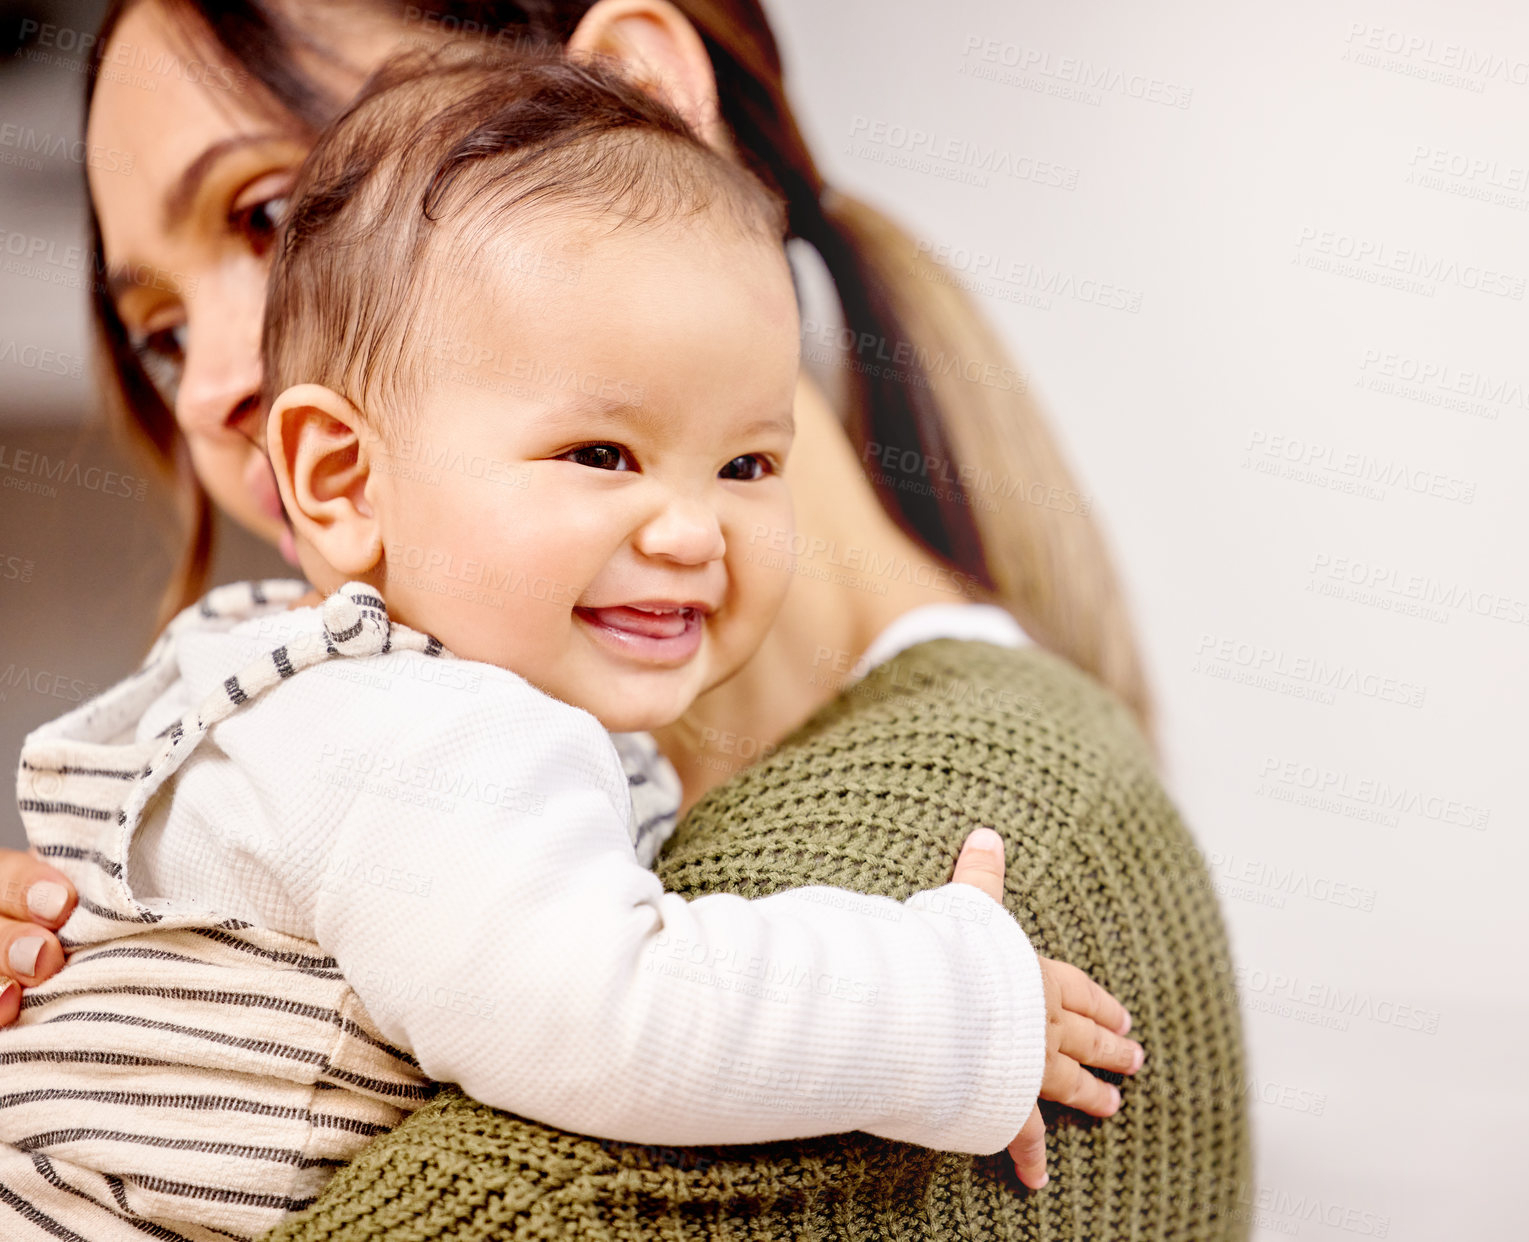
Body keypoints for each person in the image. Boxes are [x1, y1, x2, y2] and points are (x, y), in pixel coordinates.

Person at [1, 1, 1251, 1237]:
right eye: (158, 331)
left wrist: (946, 1013)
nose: (219, 381)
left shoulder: (950, 836)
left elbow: (609, 1015)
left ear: (637, 92)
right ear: (338, 472)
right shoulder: (408, 724)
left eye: (277, 212)